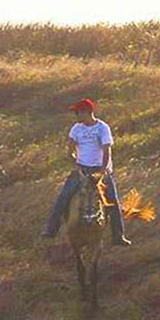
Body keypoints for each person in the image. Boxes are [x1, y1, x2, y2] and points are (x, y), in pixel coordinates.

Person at [40, 98, 132, 245]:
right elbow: (70, 150)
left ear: (87, 112)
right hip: (82, 168)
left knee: (112, 201)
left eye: (78, 113)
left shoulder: (102, 128)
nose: (76, 116)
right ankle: (51, 229)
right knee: (63, 197)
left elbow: (107, 150)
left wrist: (103, 171)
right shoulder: (76, 128)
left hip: (99, 169)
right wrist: (76, 165)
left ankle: (118, 236)